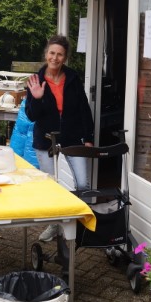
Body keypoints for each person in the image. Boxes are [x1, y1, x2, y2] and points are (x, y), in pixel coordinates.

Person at [25, 34, 94, 241]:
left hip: (72, 136)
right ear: (46, 54)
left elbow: (83, 108)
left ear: (65, 57)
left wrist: (88, 137)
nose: (55, 58)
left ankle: (80, 226)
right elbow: (31, 115)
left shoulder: (72, 78)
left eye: (60, 54)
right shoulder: (36, 80)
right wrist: (37, 98)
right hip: (45, 139)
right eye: (52, 53)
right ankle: (54, 226)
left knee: (83, 185)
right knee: (51, 186)